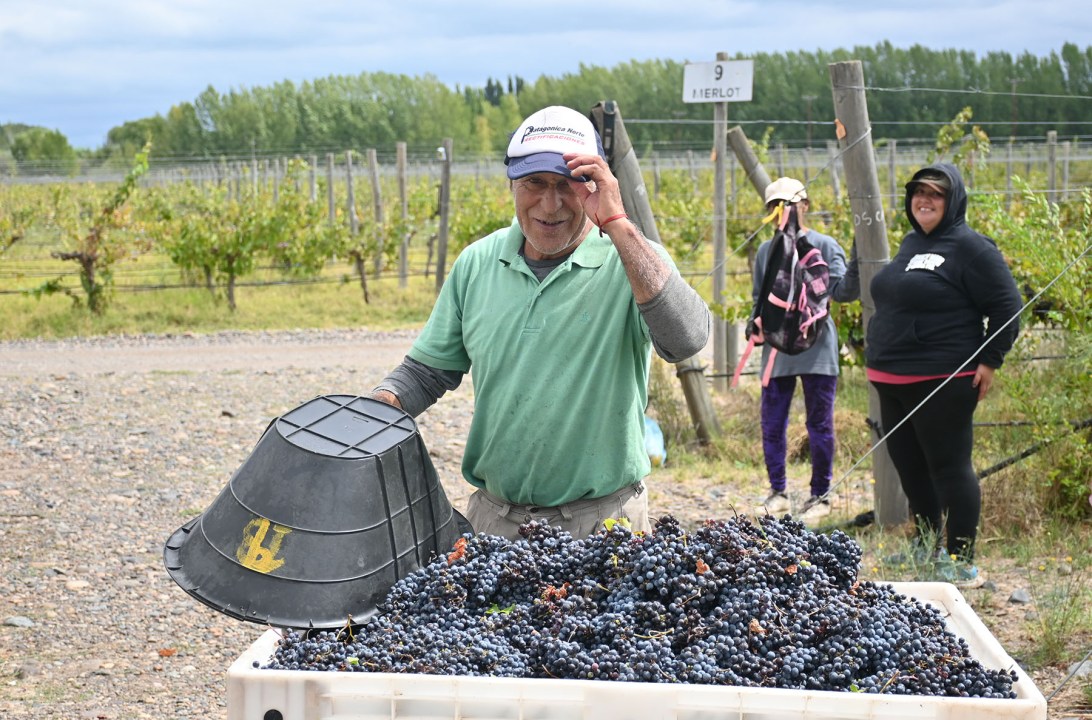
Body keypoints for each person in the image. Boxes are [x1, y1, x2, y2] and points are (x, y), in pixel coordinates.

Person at [370, 105, 712, 541]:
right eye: (535, 183)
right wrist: (371, 414)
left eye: (568, 185)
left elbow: (686, 340)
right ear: (513, 182)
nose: (550, 205)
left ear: (596, 185)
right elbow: (426, 372)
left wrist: (617, 223)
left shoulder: (632, 261)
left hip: (604, 525)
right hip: (495, 523)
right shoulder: (478, 263)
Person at [868, 163, 1022, 588]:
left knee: (949, 468)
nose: (925, 201)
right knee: (911, 468)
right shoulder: (911, 243)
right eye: (919, 193)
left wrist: (990, 360)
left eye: (936, 194)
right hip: (892, 380)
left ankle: (961, 558)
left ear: (953, 200)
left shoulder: (973, 248)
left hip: (943, 379)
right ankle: (925, 545)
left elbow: (1009, 307)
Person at [752, 177, 860, 522]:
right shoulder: (766, 252)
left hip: (818, 347)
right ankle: (778, 493)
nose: (784, 212)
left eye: (790, 205)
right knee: (772, 422)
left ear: (805, 206)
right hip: (776, 349)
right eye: (776, 206)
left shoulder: (825, 246)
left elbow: (842, 292)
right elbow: (760, 300)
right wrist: (754, 327)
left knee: (820, 423)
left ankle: (821, 495)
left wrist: (861, 252)